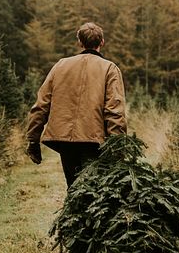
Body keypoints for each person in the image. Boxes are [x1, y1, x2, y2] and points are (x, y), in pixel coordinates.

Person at [26, 22, 127, 187]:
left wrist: (33, 140)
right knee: (96, 192)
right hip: (95, 142)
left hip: (65, 142)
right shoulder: (110, 69)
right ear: (102, 42)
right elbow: (114, 111)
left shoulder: (60, 66)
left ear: (79, 42)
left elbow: (41, 105)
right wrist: (118, 150)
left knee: (73, 188)